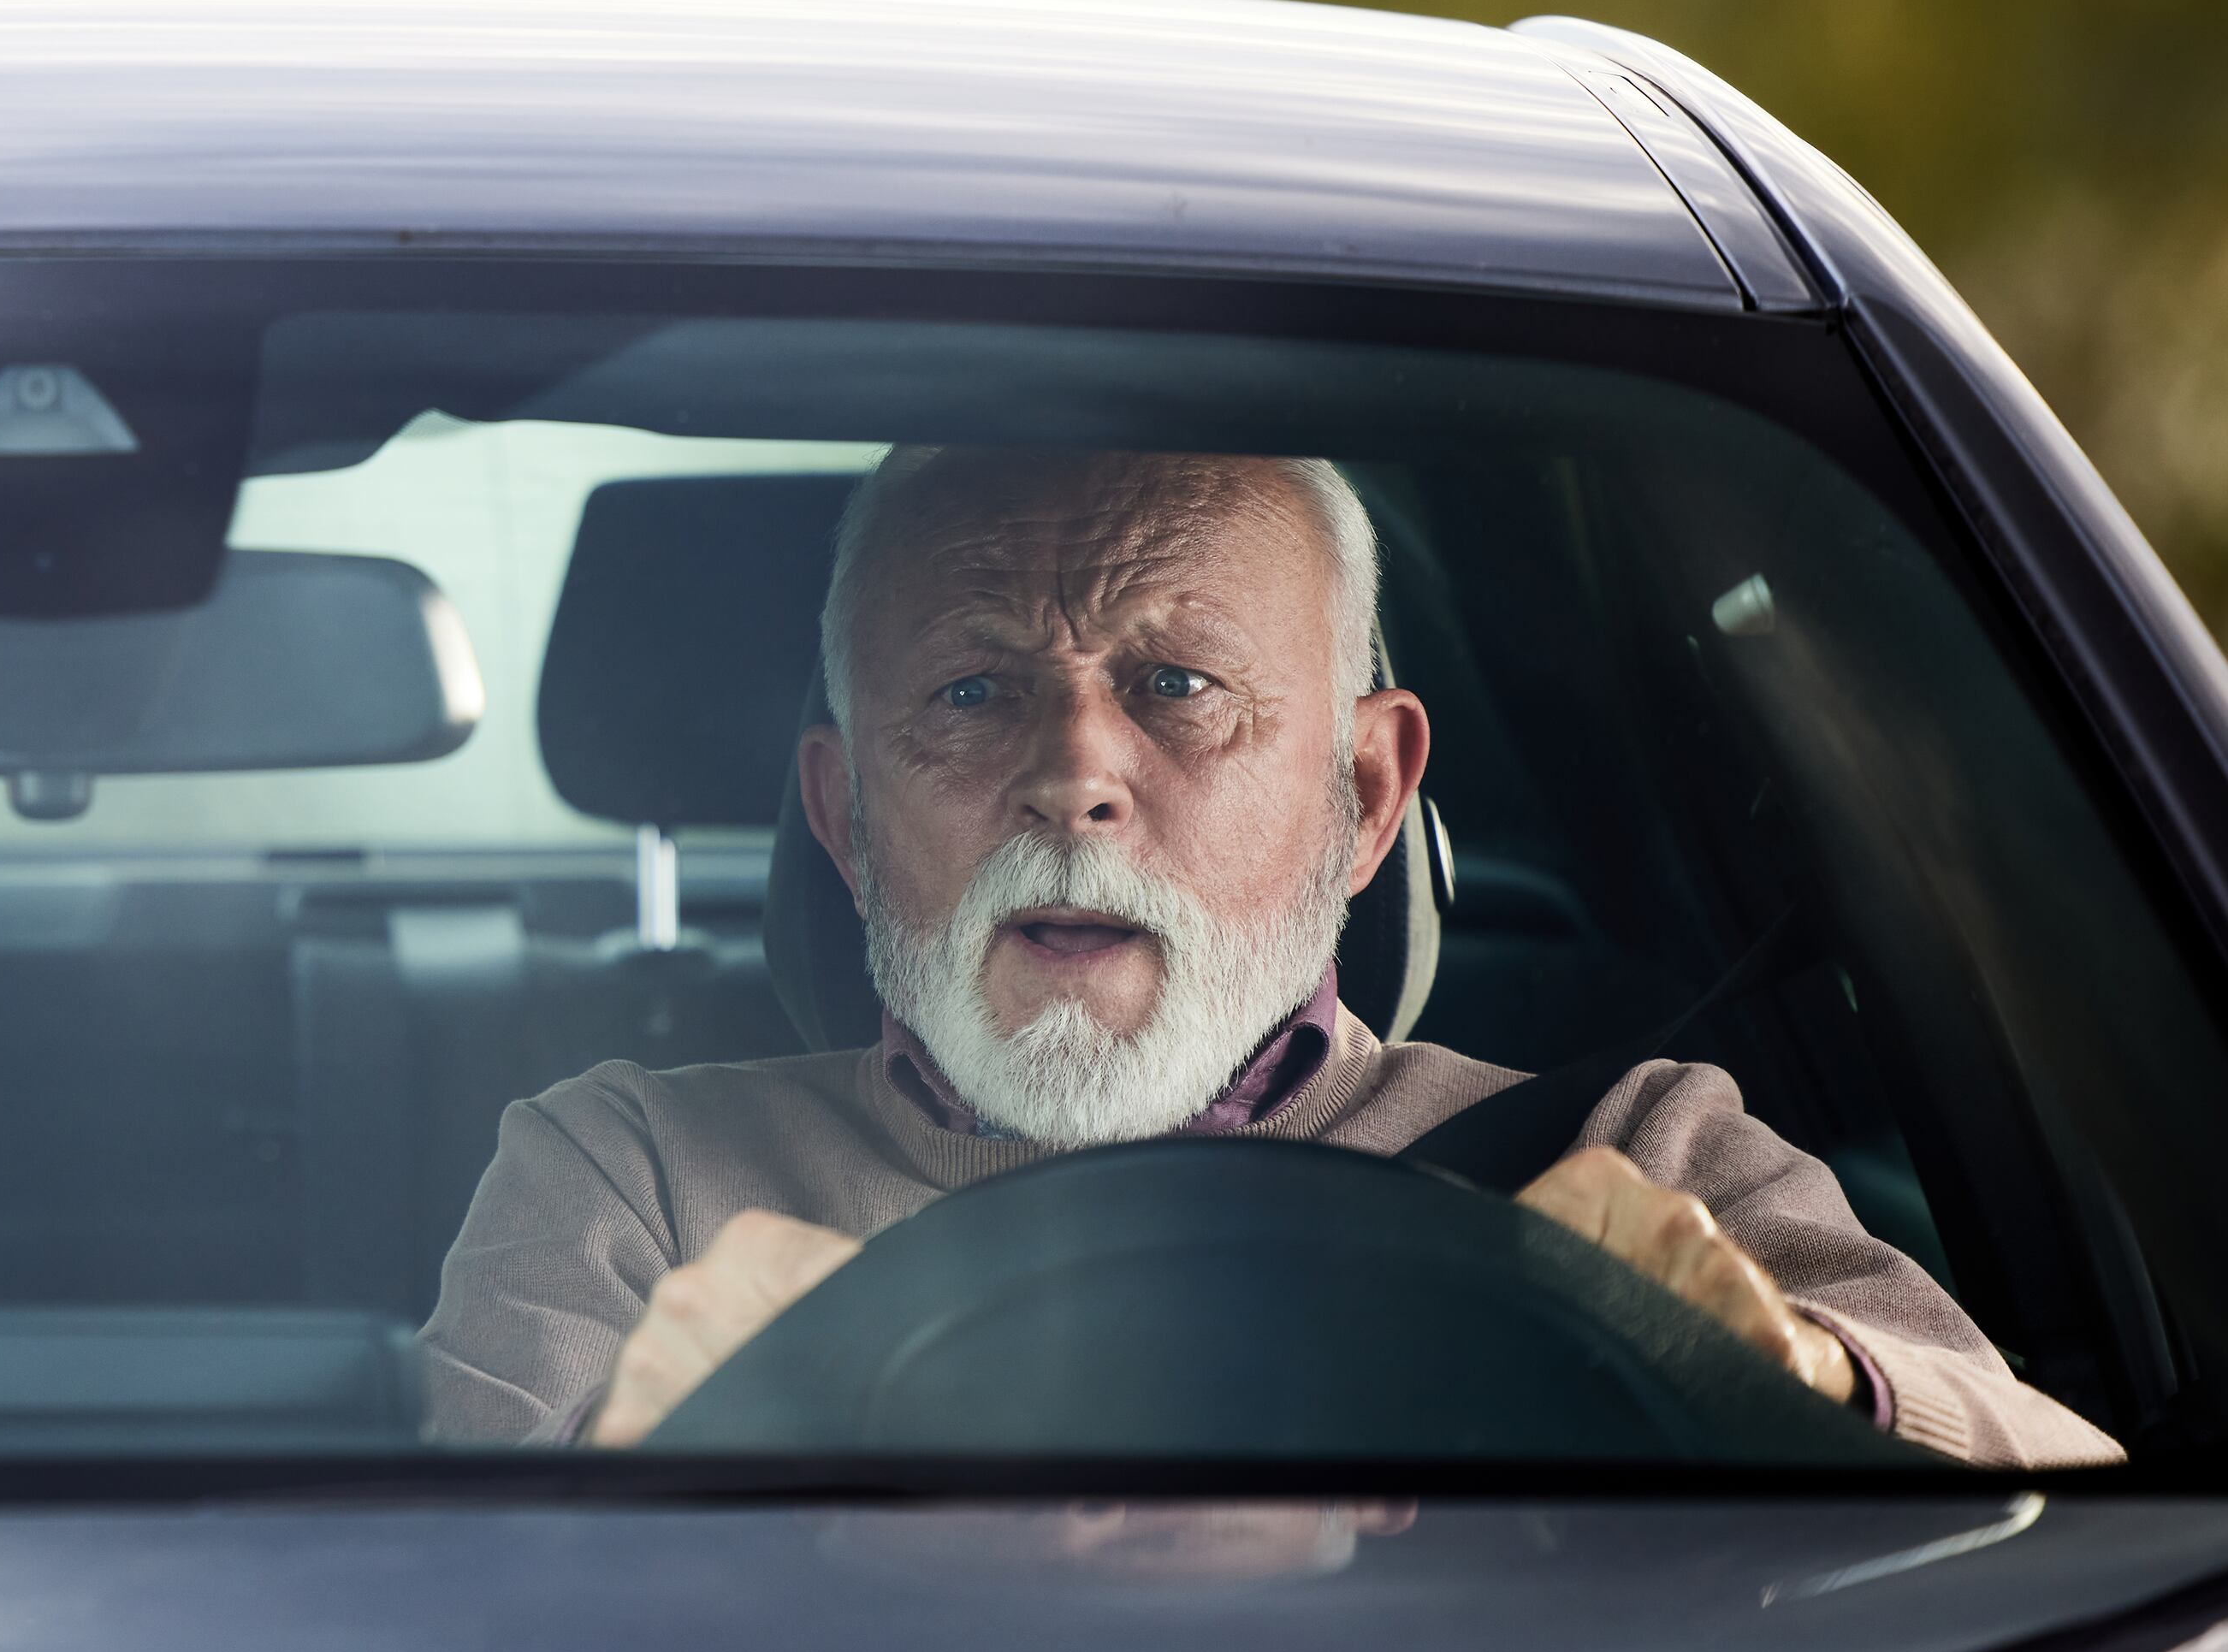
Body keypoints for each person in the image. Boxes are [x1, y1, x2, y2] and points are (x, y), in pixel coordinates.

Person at [422, 445, 2118, 1467]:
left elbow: (2092, 1515)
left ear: (1362, 790)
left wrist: (1795, 1377)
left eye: (1174, 686)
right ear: (847, 814)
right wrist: (645, 1461)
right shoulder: (630, 1175)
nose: (1075, 772)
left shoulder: (1632, 1154)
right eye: (966, 690)